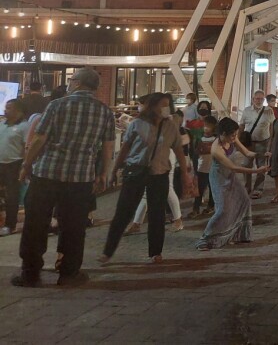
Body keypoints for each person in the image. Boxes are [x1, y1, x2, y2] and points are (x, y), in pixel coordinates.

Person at [14, 68, 115, 287]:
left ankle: (30, 273)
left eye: (71, 80)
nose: (69, 83)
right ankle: (68, 273)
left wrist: (27, 164)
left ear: (77, 83)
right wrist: (104, 173)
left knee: (36, 224)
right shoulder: (104, 111)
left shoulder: (57, 105)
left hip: (47, 173)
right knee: (74, 227)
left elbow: (40, 138)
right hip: (80, 177)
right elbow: (107, 146)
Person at [100, 92, 191, 264]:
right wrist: (114, 170)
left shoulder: (171, 126)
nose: (165, 108)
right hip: (136, 171)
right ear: (153, 106)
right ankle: (108, 251)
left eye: (167, 105)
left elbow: (178, 149)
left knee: (157, 214)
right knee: (123, 212)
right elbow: (126, 148)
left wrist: (185, 172)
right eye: (162, 104)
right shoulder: (137, 124)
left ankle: (156, 252)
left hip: (160, 173)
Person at [196, 117, 267, 250]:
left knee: (244, 200)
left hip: (230, 177)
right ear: (222, 134)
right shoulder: (216, 149)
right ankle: (206, 238)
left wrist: (261, 155)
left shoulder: (233, 139)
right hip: (219, 179)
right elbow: (234, 168)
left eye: (236, 134)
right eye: (232, 135)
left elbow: (247, 153)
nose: (235, 137)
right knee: (223, 209)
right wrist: (257, 170)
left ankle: (238, 234)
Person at [0, 99, 28, 236]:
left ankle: (10, 225)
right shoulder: (2, 125)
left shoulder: (24, 127)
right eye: (6, 107)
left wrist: (25, 166)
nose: (5, 110)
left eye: (9, 108)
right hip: (0, 163)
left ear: (18, 111)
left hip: (14, 164)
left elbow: (26, 147)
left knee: (12, 196)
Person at [239, 90, 274, 197]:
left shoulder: (269, 111)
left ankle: (258, 189)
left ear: (264, 100)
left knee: (261, 166)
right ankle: (247, 187)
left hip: (263, 142)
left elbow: (271, 126)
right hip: (249, 144)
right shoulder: (247, 110)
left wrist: (271, 142)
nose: (259, 101)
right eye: (257, 98)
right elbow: (241, 126)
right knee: (246, 165)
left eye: (261, 99)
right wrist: (239, 141)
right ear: (253, 99)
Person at [188, 115, 217, 218]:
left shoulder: (216, 140)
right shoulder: (200, 138)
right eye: (204, 125)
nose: (206, 128)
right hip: (201, 168)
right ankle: (196, 209)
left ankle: (211, 206)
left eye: (208, 126)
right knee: (199, 190)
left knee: (212, 189)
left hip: (213, 168)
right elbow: (195, 154)